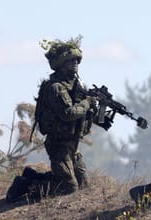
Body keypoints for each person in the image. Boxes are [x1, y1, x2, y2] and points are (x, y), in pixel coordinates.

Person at [6, 39, 99, 202]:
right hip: (59, 145)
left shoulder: (75, 85)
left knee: (84, 184)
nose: (75, 63)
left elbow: (81, 112)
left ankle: (33, 176)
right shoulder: (56, 87)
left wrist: (94, 107)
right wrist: (88, 102)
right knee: (69, 187)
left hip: (72, 143)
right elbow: (68, 113)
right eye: (70, 61)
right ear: (60, 64)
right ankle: (25, 185)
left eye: (76, 60)